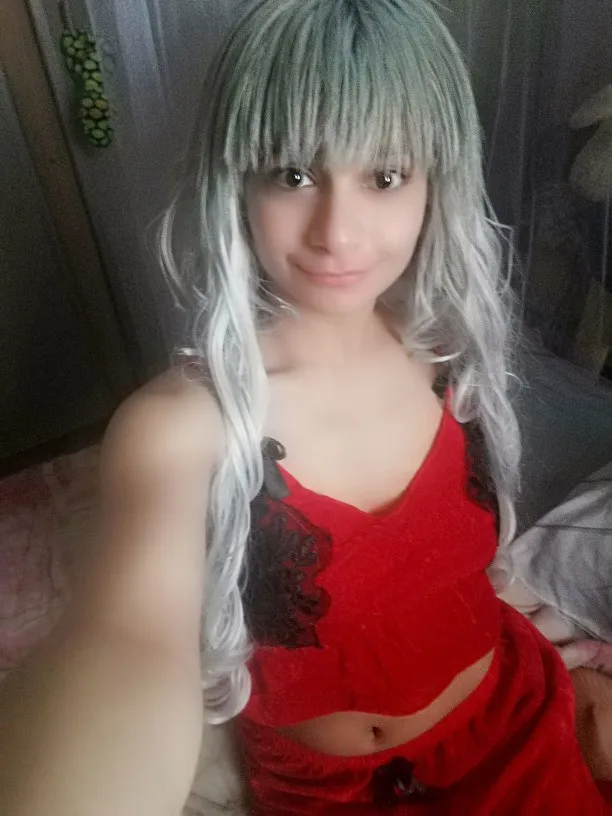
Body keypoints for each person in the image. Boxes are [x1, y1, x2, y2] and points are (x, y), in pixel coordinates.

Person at [1, 1, 612, 814]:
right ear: (237, 181)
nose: (337, 233)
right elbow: (128, 641)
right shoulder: (182, 425)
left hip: (507, 726)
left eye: (385, 176)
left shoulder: (455, 362)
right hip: (323, 787)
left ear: (436, 184)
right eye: (293, 175)